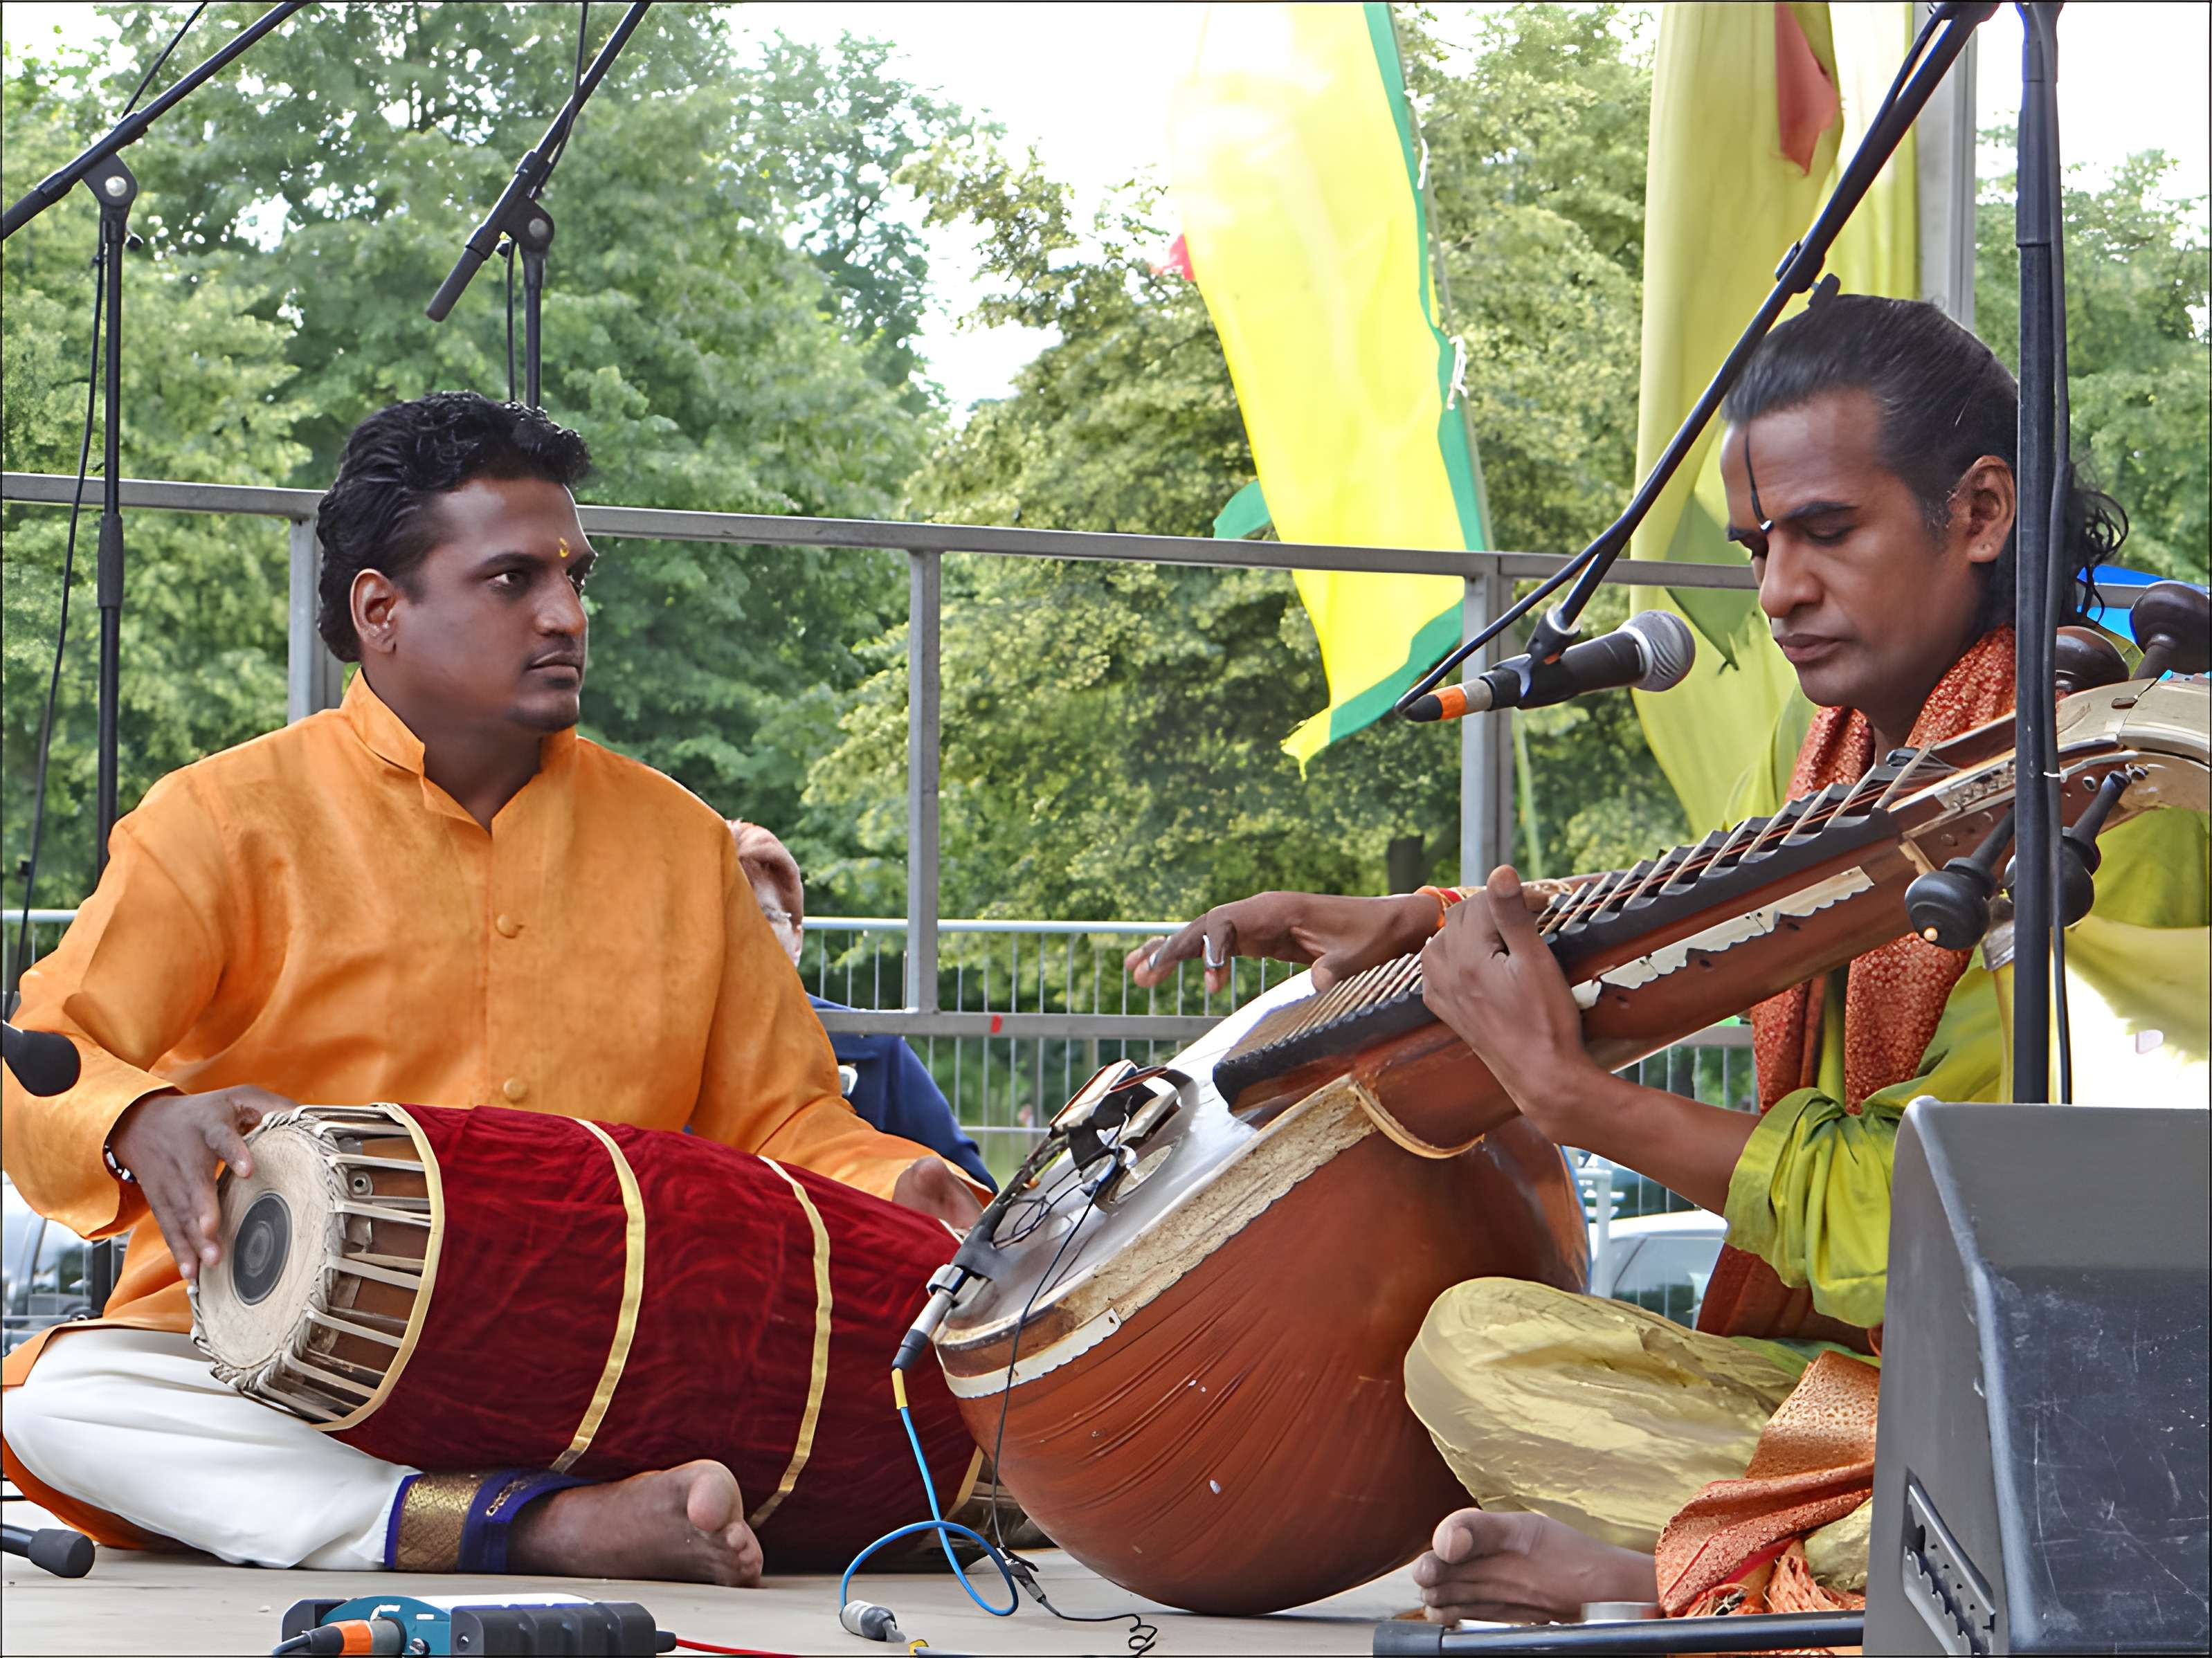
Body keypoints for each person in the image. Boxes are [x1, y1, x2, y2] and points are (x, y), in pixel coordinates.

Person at [1128, 296, 2208, 1622]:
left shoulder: (2099, 803)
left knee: (2049, 1498)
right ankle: (1773, 1571)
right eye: (1760, 545)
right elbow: (1707, 917)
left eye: (1827, 532)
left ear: (1979, 512)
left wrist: (1582, 1103)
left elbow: (1948, 1234)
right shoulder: (1822, 756)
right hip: (1851, 1397)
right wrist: (1423, 918)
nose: (1778, 592)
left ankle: (1682, 1579)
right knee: (1477, 1350)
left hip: (2064, 1395)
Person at [1, 392, 983, 1584]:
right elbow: (48, 1048)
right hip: (299, 1365)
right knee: (68, 1400)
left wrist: (899, 1181)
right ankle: (541, 1526)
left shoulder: (676, 840)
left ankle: (493, 1504)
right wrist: (140, 1118)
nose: (566, 614)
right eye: (512, 581)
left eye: (575, 577)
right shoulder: (219, 821)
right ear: (381, 610)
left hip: (611, 1356)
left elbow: (781, 1120)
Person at [728, 821, 995, 1189]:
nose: (745, 933)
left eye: (765, 915)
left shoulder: (871, 1045)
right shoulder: (652, 1055)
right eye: (724, 915)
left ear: (797, 940)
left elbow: (971, 1193)